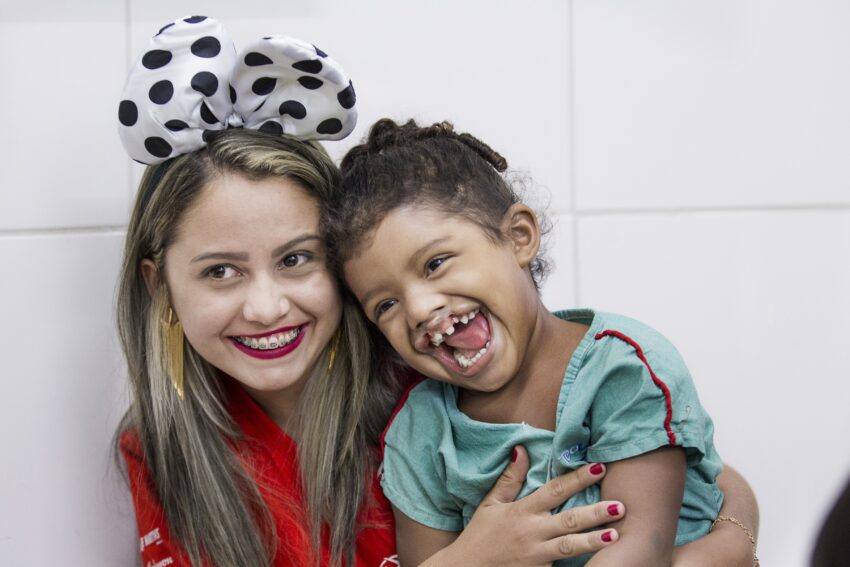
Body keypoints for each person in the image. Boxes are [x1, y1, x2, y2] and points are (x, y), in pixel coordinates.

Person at [113, 16, 658, 567]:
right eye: (220, 272)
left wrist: (730, 529)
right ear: (160, 286)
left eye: (297, 259)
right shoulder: (160, 451)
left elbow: (667, 455)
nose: (266, 307)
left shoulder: (435, 376)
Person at [331, 118, 760, 566]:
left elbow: (637, 552)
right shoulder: (419, 433)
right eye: (385, 305)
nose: (418, 309)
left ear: (519, 237)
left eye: (435, 263)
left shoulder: (625, 369)